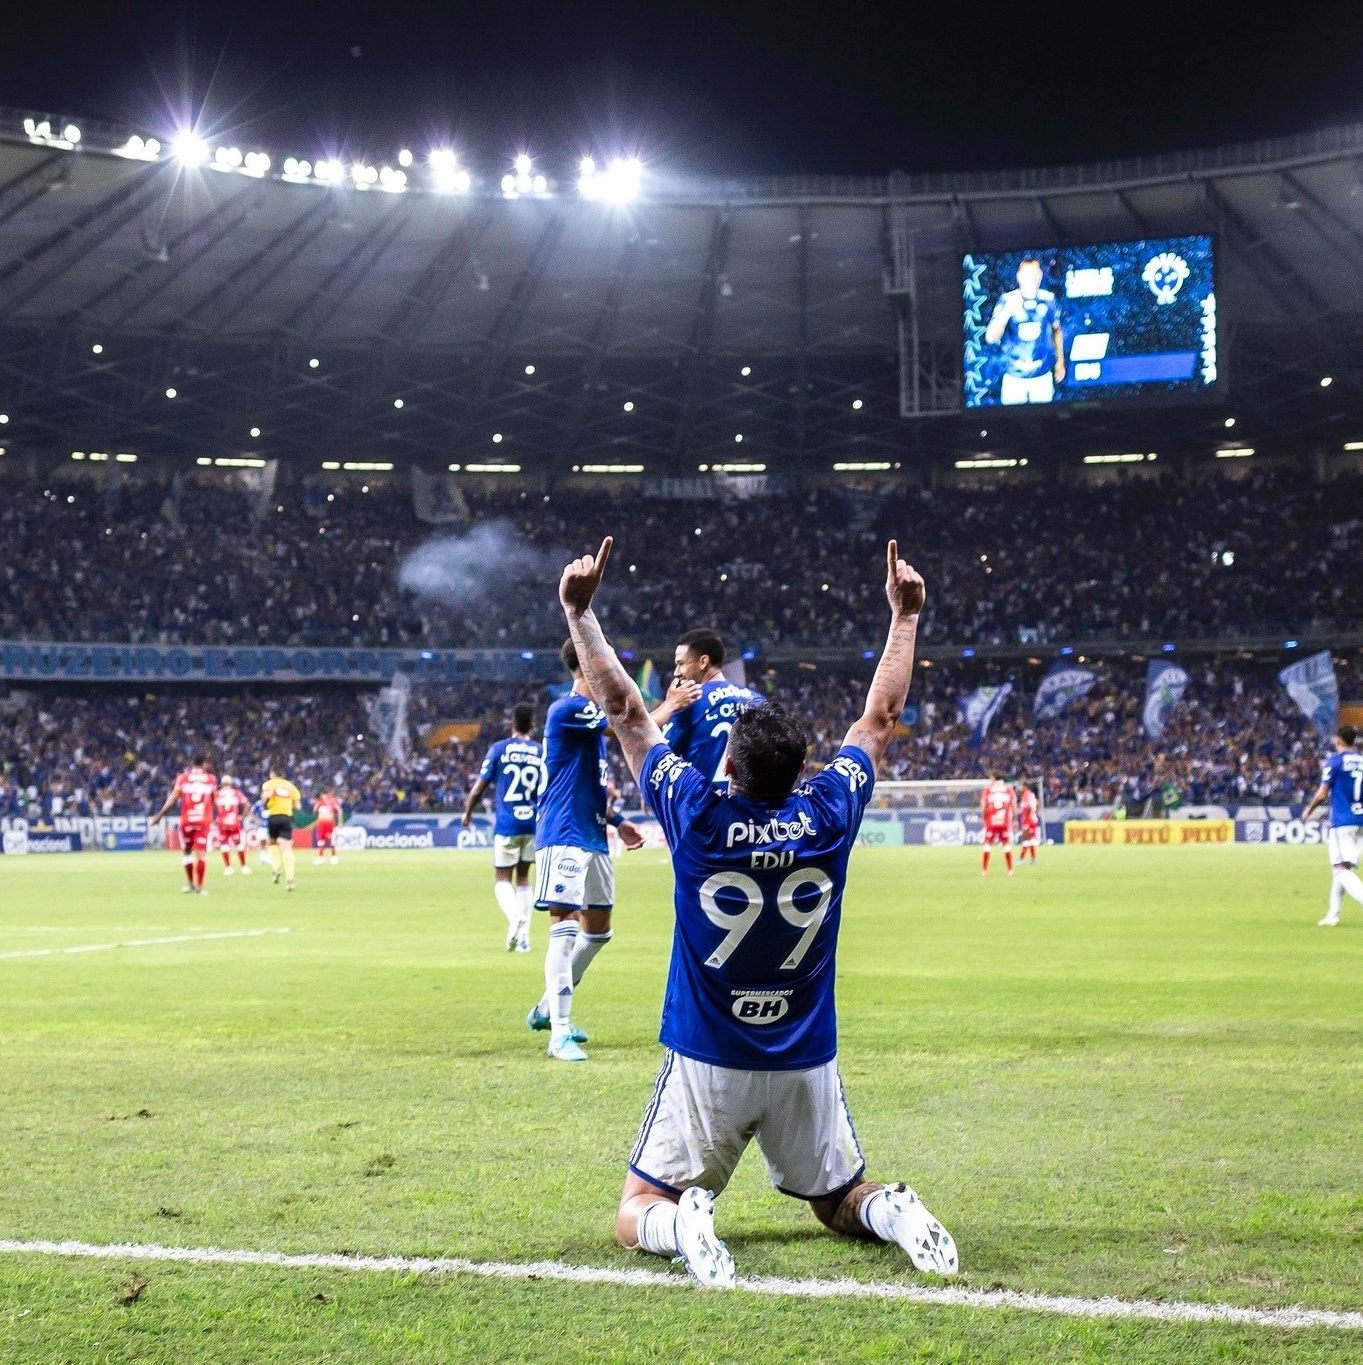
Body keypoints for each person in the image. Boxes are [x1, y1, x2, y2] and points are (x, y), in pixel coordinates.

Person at [553, 534, 957, 1287]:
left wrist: (580, 613)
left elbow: (623, 708)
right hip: (804, 1056)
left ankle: (684, 1223)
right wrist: (903, 617)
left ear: (728, 766)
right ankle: (894, 1212)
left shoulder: (697, 813)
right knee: (836, 1198)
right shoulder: (829, 810)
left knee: (636, 1208)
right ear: (802, 768)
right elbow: (880, 717)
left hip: (709, 1053)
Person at [527, 640, 647, 1061]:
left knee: (598, 930)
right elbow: (627, 728)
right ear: (588, 666)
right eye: (605, 660)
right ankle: (558, 1032)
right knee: (564, 927)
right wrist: (667, 707)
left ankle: (546, 1007)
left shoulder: (588, 719)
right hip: (563, 834)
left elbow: (583, 785)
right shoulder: (567, 709)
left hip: (593, 832)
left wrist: (617, 821)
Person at [463, 703, 544, 952]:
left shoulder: (499, 749)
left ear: (511, 723)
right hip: (532, 822)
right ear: (532, 724)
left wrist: (467, 812)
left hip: (507, 824)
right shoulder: (541, 752)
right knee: (523, 877)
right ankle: (524, 938)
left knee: (501, 879)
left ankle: (514, 919)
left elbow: (479, 787)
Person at [659, 628, 765, 787]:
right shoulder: (759, 701)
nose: (676, 673)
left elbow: (662, 756)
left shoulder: (688, 700)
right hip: (751, 807)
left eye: (681, 664)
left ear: (703, 662)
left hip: (706, 805)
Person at [1302, 724, 1363, 927]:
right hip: (1361, 821)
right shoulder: (1362, 761)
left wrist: (1309, 810)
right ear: (1354, 741)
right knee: (1342, 867)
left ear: (1338, 740)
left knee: (1340, 870)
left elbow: (1322, 794)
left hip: (1343, 821)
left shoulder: (1335, 761)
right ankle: (1333, 914)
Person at [983, 257, 1065, 405]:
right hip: (1014, 377)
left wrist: (1060, 361)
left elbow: (1056, 331)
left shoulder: (1049, 299)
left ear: (1040, 275)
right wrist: (1005, 314)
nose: (1032, 279)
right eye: (1027, 274)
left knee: (1046, 421)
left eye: (1035, 274)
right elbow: (990, 338)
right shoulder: (1007, 300)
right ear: (1019, 276)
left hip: (1042, 375)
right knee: (1012, 425)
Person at [149, 758, 217, 894]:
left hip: (187, 820)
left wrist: (160, 815)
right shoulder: (211, 779)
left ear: (192, 764)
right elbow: (213, 800)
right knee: (201, 854)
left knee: (187, 852)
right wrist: (211, 817)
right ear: (204, 765)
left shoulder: (182, 778)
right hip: (203, 820)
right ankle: (200, 886)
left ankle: (190, 884)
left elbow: (173, 798)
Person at [260, 767, 302, 891]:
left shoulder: (269, 784)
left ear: (272, 774)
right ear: (282, 775)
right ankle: (289, 878)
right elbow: (298, 806)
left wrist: (266, 802)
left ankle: (276, 868)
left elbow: (265, 796)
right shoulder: (291, 786)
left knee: (272, 842)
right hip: (286, 818)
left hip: (273, 816)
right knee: (287, 848)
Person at [214, 776, 251, 876]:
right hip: (234, 822)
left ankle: (228, 868)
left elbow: (210, 806)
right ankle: (244, 866)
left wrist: (214, 819)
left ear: (222, 784)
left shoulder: (217, 794)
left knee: (224, 845)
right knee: (239, 844)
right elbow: (247, 805)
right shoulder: (236, 792)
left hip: (222, 823)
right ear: (231, 784)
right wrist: (242, 817)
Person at [980, 775, 1015, 876]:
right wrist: (1015, 819)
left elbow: (984, 806)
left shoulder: (988, 789)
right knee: (1006, 845)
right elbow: (1013, 804)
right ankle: (1010, 870)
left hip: (991, 821)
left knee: (987, 845)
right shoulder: (1008, 789)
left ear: (995, 779)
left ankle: (984, 870)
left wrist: (984, 817)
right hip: (1004, 821)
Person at [313, 791, 343, 866]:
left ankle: (333, 857)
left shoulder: (331, 800)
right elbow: (314, 812)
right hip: (321, 823)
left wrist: (340, 822)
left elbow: (339, 810)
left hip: (329, 823)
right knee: (320, 840)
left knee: (332, 840)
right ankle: (320, 858)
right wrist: (317, 806)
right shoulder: (318, 802)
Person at [1016, 783, 1040, 866]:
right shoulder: (1031, 795)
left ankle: (1021, 859)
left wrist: (1026, 819)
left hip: (1028, 821)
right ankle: (1033, 859)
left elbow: (1028, 807)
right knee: (1031, 840)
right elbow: (1037, 804)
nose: (1019, 788)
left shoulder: (1026, 795)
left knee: (1026, 840)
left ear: (1025, 787)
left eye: (1021, 786)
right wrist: (1035, 813)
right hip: (1033, 819)